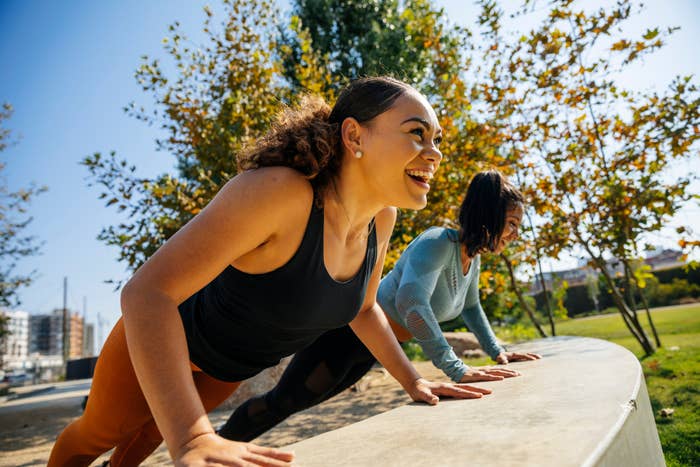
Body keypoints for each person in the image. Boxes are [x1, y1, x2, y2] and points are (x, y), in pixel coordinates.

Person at [48, 76, 492, 467]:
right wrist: (192, 435)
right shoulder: (280, 192)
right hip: (164, 340)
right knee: (97, 435)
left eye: (437, 140)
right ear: (354, 136)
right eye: (417, 134)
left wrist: (416, 382)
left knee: (148, 436)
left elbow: (364, 309)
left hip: (228, 366)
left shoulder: (381, 219)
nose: (434, 153)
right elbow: (146, 294)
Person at [218, 170, 542, 442]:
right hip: (346, 336)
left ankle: (222, 448)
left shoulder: (472, 259)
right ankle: (216, 445)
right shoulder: (438, 243)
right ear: (490, 215)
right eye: (511, 223)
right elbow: (411, 303)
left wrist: (498, 351)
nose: (515, 233)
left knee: (295, 403)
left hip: (377, 348)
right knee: (285, 401)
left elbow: (472, 307)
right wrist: (456, 368)